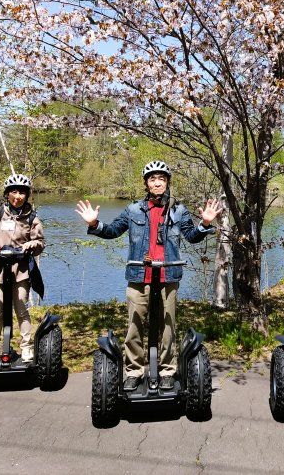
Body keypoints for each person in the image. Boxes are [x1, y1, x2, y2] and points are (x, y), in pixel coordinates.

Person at [75, 160, 220, 391]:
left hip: (168, 275)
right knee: (134, 325)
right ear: (146, 183)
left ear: (167, 182)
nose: (157, 182)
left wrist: (204, 224)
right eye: (152, 179)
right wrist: (95, 223)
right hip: (138, 274)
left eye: (161, 178)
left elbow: (191, 236)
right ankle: (134, 371)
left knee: (168, 327)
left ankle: (166, 370)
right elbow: (113, 231)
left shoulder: (178, 210)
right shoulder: (133, 210)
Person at [0, 174, 45, 363]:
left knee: (22, 308)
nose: (18, 196)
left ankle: (27, 347)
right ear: (7, 194)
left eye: (22, 192)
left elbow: (40, 241)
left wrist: (33, 245)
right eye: (14, 191)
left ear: (27, 195)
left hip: (20, 269)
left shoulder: (31, 217)